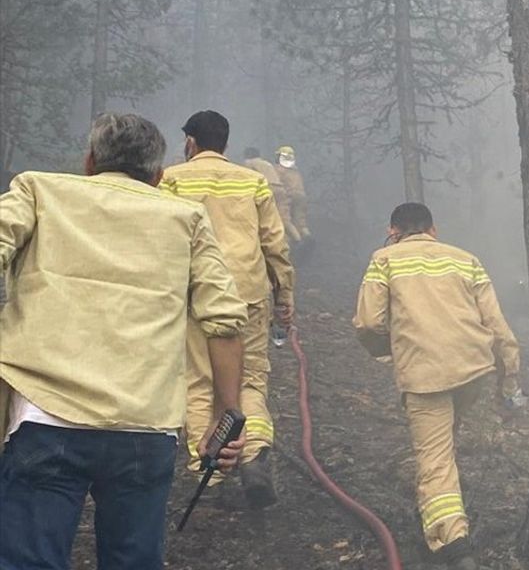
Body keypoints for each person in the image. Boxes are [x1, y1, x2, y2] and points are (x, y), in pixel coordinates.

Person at [0, 113, 246, 570]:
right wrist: (225, 415)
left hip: (46, 417)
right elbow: (225, 321)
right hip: (144, 428)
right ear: (158, 175)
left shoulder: (38, 191)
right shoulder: (186, 218)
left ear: (90, 161)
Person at [352, 203, 523, 570]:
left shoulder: (385, 259)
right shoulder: (466, 260)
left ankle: (454, 544)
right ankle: (439, 505)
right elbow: (498, 327)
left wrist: (394, 348)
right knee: (444, 442)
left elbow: (367, 324)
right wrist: (509, 383)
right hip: (471, 370)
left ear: (393, 230)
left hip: (426, 375)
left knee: (435, 458)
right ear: (433, 230)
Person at [163, 111, 295, 508]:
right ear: (225, 143)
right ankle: (253, 453)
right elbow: (275, 244)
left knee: (199, 380)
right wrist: (284, 298)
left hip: (195, 293)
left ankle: (211, 470)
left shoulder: (171, 179)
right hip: (248, 294)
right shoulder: (252, 181)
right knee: (250, 378)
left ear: (190, 142)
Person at [274, 145, 311, 247]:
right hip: (301, 197)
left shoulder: (278, 170)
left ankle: (297, 241)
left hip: (289, 196)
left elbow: (276, 184)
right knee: (300, 221)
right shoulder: (295, 171)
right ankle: (307, 237)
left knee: (285, 219)